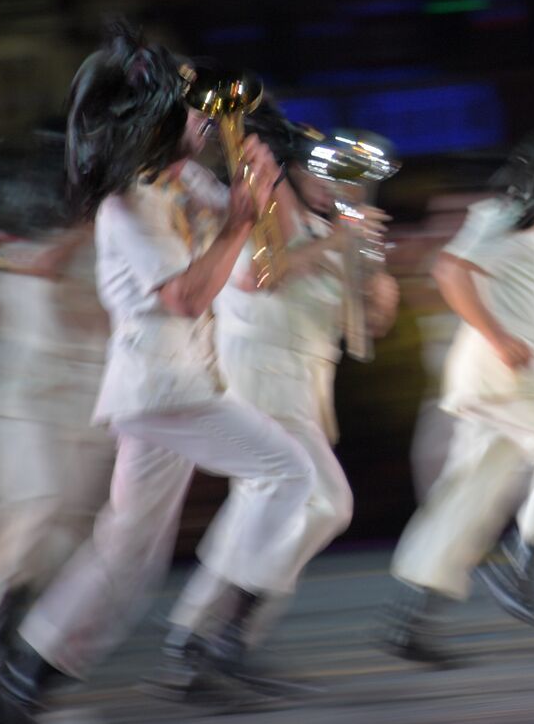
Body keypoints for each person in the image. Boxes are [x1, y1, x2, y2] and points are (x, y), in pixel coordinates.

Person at [0, 25, 315, 722]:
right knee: (289, 471)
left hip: (177, 388)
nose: (206, 121)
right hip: (162, 387)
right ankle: (222, 636)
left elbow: (262, 273)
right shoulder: (125, 207)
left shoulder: (186, 184)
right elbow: (188, 296)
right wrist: (233, 226)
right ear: (158, 123)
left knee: (127, 549)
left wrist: (264, 181)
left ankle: (28, 673)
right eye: (194, 111)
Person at [151, 103, 399, 697]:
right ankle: (223, 637)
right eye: (332, 173)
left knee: (270, 508)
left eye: (354, 178)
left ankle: (200, 639)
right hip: (260, 373)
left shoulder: (328, 226)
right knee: (325, 502)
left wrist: (369, 268)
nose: (345, 186)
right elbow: (256, 277)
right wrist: (340, 241)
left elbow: (374, 327)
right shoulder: (267, 204)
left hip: (304, 383)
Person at [381, 104, 534, 663]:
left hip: (506, 374)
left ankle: (411, 621)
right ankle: (526, 569)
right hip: (504, 377)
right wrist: (497, 336)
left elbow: (511, 294)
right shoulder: (505, 214)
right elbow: (450, 269)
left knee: (470, 495)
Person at [0, 133, 112, 673]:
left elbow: (94, 314)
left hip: (81, 404)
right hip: (20, 399)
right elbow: (35, 274)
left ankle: (3, 619)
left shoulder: (100, 241)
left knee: (63, 530)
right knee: (35, 500)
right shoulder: (18, 245)